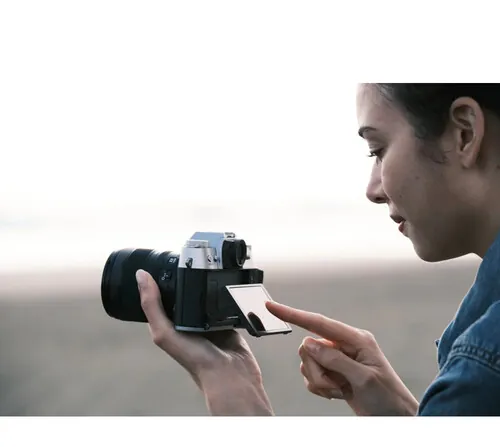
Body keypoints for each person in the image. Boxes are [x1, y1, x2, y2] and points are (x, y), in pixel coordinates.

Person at [135, 83, 500, 416]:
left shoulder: (483, 367)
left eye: (377, 150)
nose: (373, 190)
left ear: (465, 133)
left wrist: (229, 382)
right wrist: (400, 414)